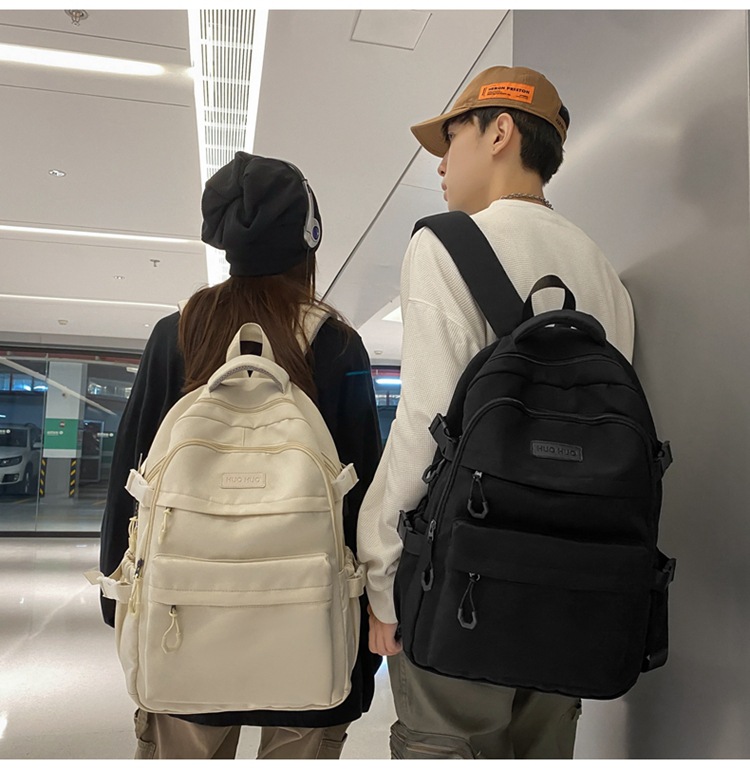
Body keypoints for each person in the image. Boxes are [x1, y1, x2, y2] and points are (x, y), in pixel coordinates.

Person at [357, 65, 636, 759]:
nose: (441, 163)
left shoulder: (444, 243)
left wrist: (381, 570)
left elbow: (425, 423)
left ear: (500, 131)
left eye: (451, 139)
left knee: (445, 742)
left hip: (463, 578)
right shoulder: (604, 272)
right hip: (573, 584)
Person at [99, 152, 383, 760]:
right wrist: (375, 610)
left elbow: (133, 473)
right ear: (309, 237)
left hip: (185, 611)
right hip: (308, 614)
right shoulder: (336, 343)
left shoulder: (178, 332)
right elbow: (365, 489)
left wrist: (115, 591)